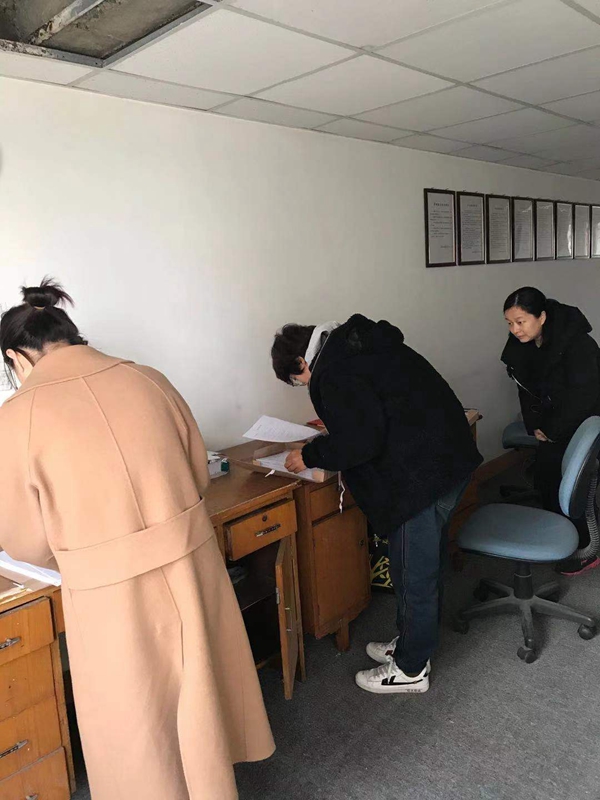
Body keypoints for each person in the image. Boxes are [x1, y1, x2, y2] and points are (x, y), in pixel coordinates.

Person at [0, 279, 274, 800]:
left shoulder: (15, 418)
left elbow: (26, 543)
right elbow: (197, 476)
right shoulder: (149, 379)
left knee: (138, 719)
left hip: (111, 592)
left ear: (17, 356)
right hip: (190, 565)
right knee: (201, 691)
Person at [271, 315, 482, 695]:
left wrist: (311, 454)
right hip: (449, 460)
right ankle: (412, 641)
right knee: (421, 564)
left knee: (413, 574)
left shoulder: (333, 372)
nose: (306, 386)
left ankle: (411, 669)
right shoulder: (360, 346)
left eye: (299, 381)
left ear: (301, 362)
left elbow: (361, 441)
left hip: (422, 478)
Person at [502, 286, 600, 576]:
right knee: (546, 475)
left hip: (584, 421)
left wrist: (553, 430)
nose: (515, 329)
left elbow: (584, 397)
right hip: (552, 423)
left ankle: (587, 548)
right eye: (509, 323)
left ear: (542, 317)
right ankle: (557, 534)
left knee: (573, 484)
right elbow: (525, 390)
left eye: (521, 321)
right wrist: (536, 427)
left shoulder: (578, 345)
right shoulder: (523, 344)